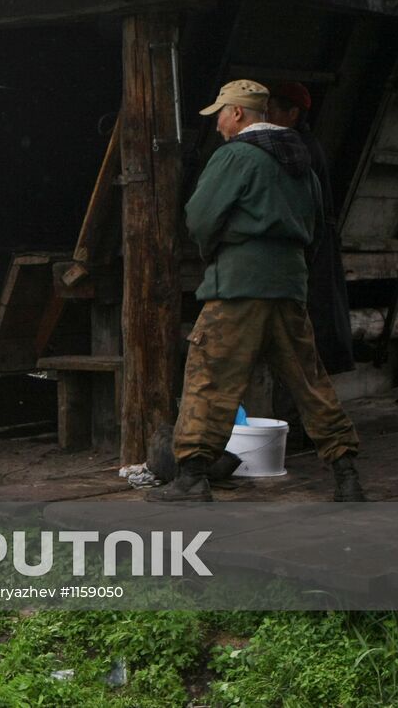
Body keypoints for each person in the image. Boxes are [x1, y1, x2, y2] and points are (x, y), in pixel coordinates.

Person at [149, 80, 365, 502]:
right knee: (309, 381)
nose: (217, 126)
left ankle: (192, 477)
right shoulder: (302, 159)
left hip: (239, 286)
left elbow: (200, 217)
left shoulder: (235, 157)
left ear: (239, 114)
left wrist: (219, 250)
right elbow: (318, 227)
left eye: (221, 115)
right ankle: (347, 475)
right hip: (288, 285)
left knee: (209, 375)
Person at [266, 81, 355, 375]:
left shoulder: (298, 150)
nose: (267, 117)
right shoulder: (306, 144)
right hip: (315, 240)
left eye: (272, 111)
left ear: (292, 113)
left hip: (310, 244)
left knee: (309, 325)